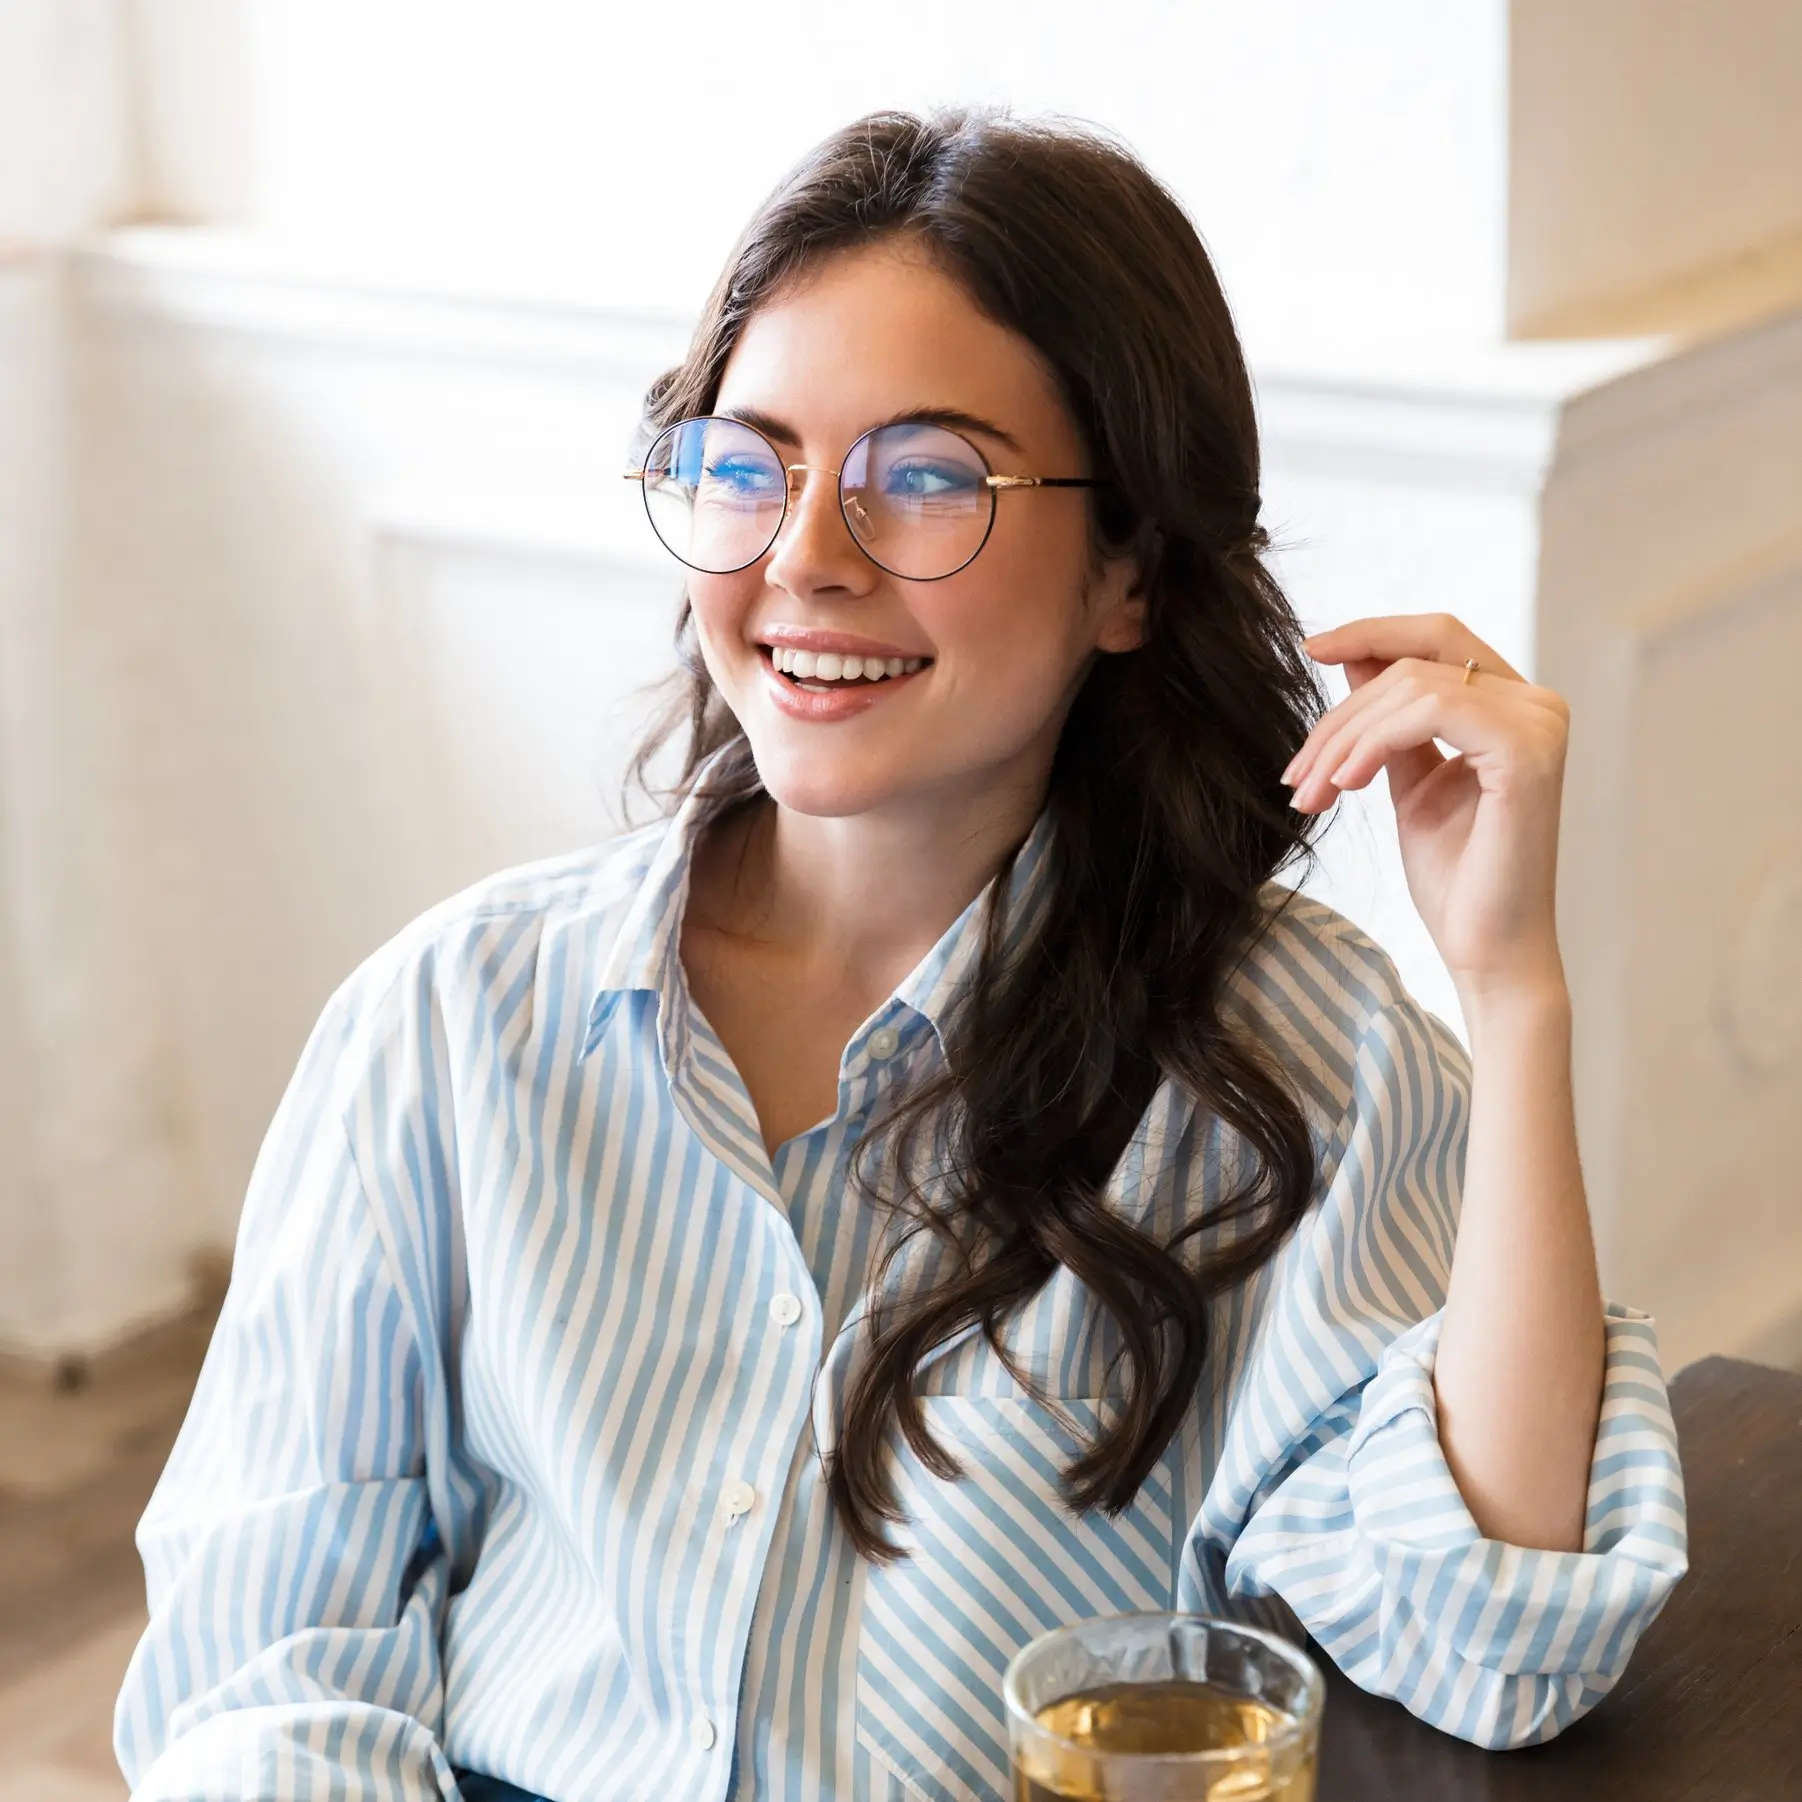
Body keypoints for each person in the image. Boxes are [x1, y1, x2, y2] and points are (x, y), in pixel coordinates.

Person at [114, 107, 1686, 1802]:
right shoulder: (449, 1018)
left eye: (924, 478)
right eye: (748, 464)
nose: (804, 560)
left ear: (1131, 572)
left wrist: (1512, 990)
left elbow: (1501, 1633)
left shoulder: (1302, 1057)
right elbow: (260, 1665)